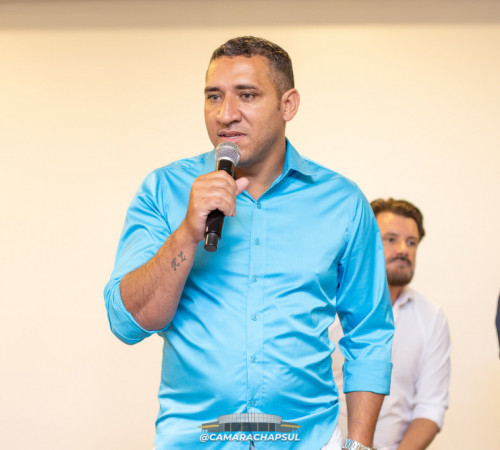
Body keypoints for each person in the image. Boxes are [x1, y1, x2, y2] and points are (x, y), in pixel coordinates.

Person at [104, 36, 394, 450]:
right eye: (214, 96)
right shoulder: (163, 190)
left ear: (288, 105)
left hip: (309, 441)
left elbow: (369, 332)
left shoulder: (343, 202)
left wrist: (360, 445)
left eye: (247, 95)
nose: (226, 114)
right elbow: (127, 324)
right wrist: (187, 232)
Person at [331, 198, 451, 450]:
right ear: (366, 242)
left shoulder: (432, 316)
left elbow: (430, 406)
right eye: (391, 239)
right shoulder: (327, 307)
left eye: (411, 242)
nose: (403, 250)